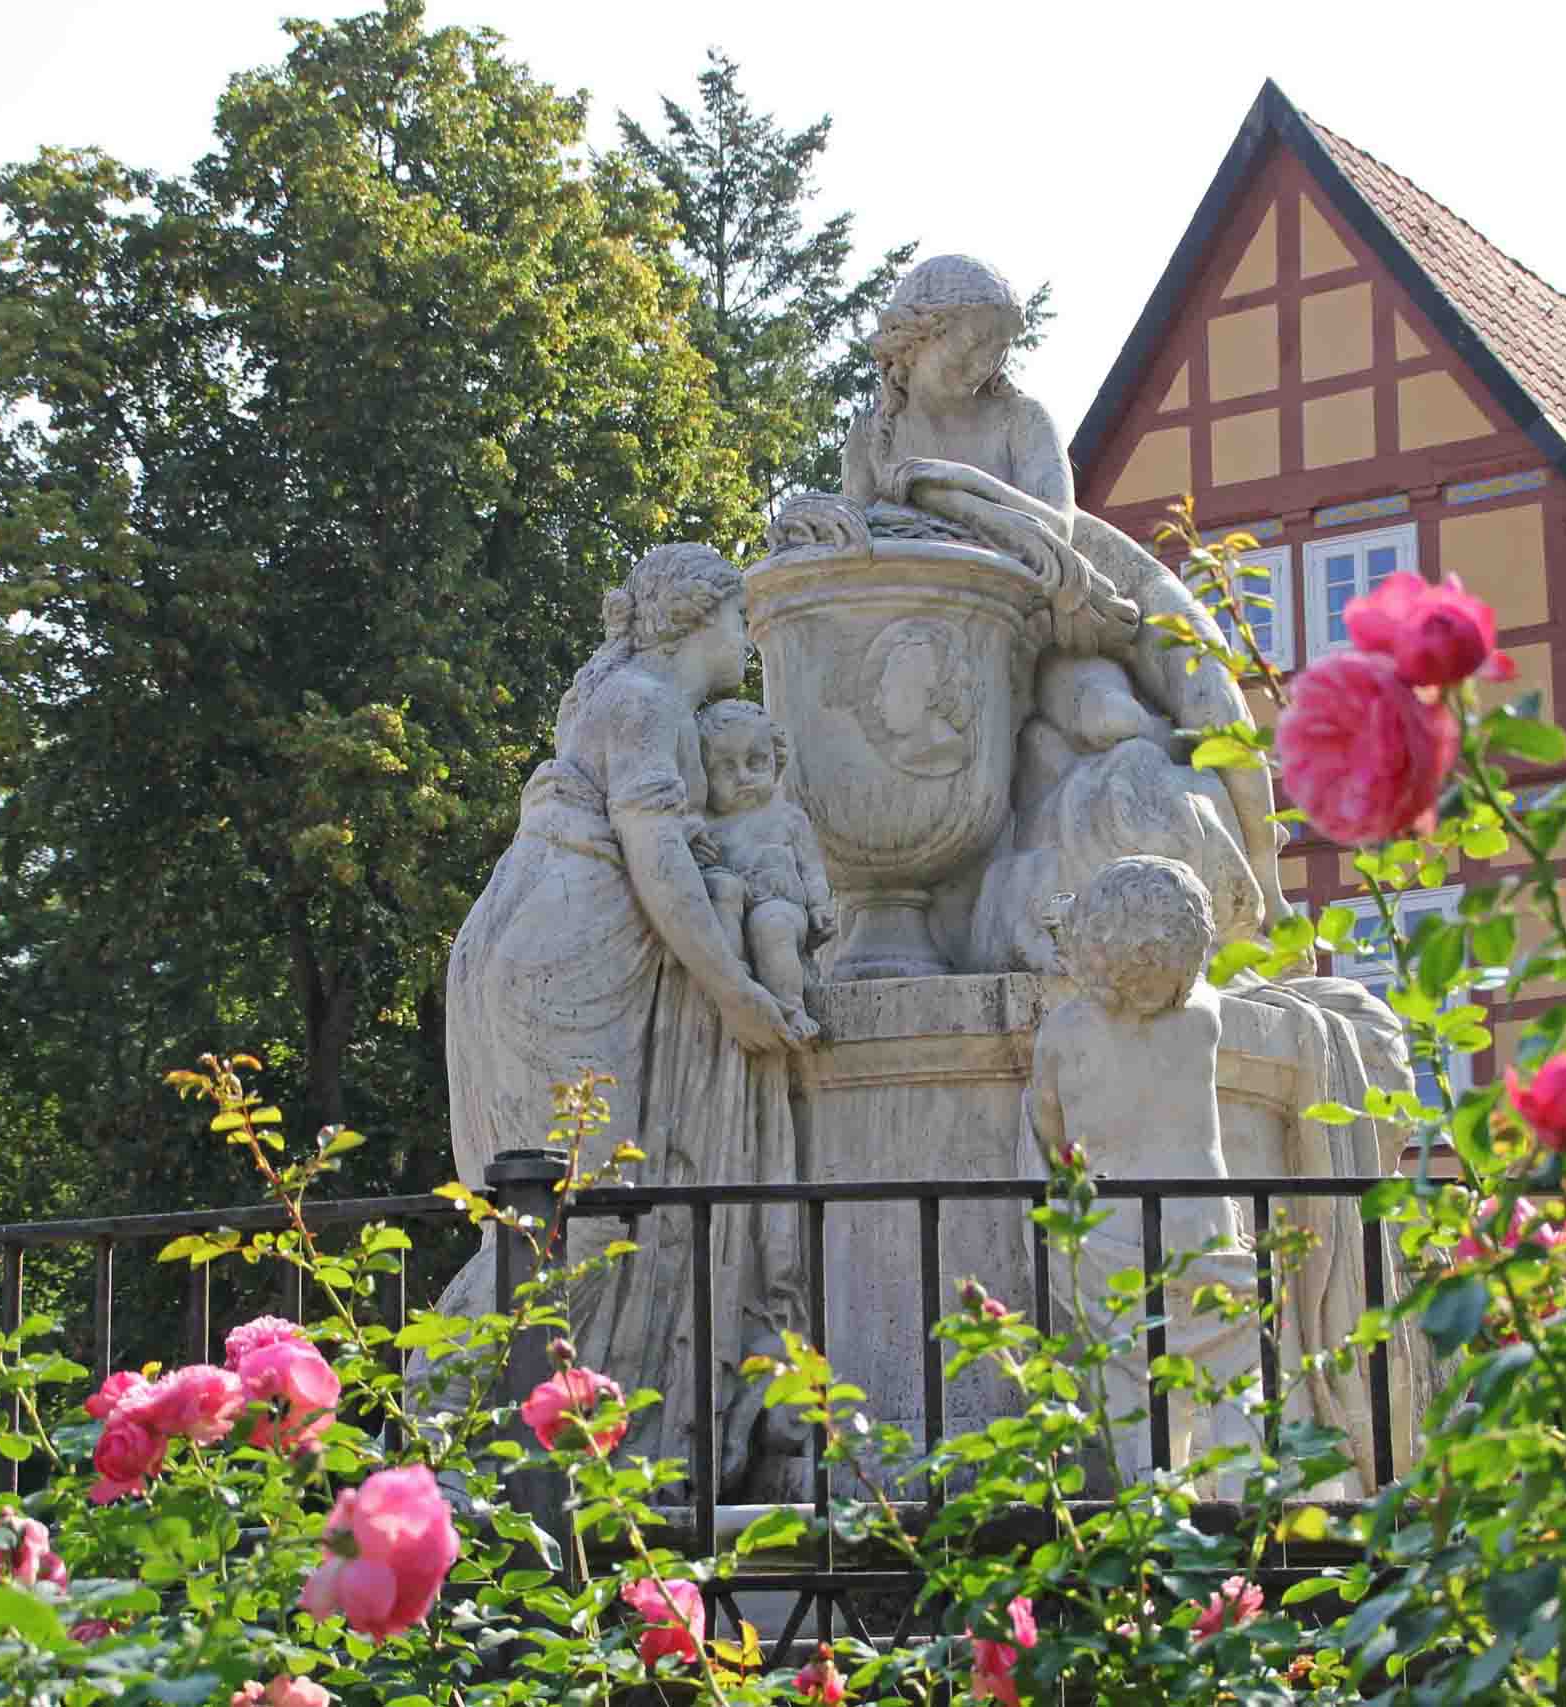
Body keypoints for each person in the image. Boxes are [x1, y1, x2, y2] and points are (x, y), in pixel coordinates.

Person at [436, 543, 811, 1496]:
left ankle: (536, 1450)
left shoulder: (646, 702)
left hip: (554, 945)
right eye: (739, 619)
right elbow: (657, 857)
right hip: (563, 958)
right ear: (699, 619)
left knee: (576, 1212)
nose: (746, 641)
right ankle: (442, 1413)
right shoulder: (646, 701)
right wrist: (732, 985)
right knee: (573, 1218)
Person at [842, 254, 1295, 948]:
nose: (983, 361)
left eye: (998, 346)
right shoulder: (872, 443)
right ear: (915, 338)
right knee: (1103, 719)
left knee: (1214, 701)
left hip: (1115, 594)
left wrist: (941, 483)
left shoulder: (1020, 420)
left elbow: (1053, 527)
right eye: (970, 341)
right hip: (1028, 633)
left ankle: (1270, 893)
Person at [1024, 856, 1269, 1497]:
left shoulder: (1064, 1033)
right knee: (1232, 1362)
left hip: (1112, 1227)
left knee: (1137, 1380)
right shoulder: (1203, 1018)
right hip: (1201, 1218)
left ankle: (1159, 1493)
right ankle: (1246, 1492)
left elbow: (1049, 1131)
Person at [693, 699, 835, 1041]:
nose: (743, 777)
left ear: (776, 760)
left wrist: (818, 906)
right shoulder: (706, 825)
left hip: (781, 902)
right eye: (726, 769)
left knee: (771, 927)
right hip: (731, 912)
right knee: (720, 893)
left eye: (755, 762)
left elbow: (812, 868)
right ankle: (733, 982)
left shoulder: (788, 818)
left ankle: (791, 1007)